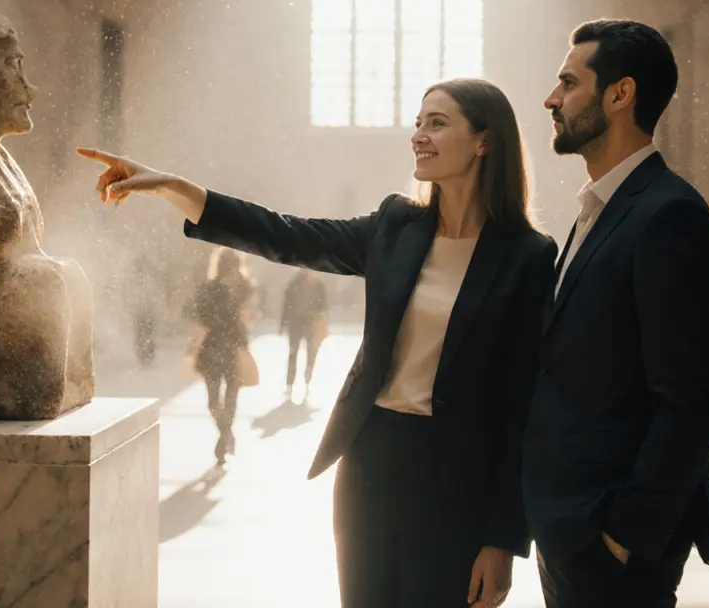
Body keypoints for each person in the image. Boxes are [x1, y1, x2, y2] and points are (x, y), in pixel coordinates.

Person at [80, 77, 556, 607]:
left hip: (458, 479)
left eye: (438, 123)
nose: (419, 134)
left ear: (484, 141)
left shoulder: (528, 256)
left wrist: (503, 540)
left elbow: (521, 408)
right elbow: (285, 234)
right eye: (418, 122)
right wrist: (172, 187)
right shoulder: (396, 226)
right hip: (370, 461)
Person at [523, 19, 709, 608]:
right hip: (572, 529)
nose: (551, 99)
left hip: (611, 546)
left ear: (620, 94)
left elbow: (694, 402)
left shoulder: (667, 216)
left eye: (568, 82)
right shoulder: (603, 206)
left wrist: (624, 535)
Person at [186, 247, 256, 464]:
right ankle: (226, 435)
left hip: (216, 348)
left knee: (217, 400)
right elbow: (245, 317)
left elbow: (200, 316)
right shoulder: (239, 288)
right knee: (227, 398)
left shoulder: (233, 289)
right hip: (229, 348)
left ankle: (224, 436)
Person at [280, 268, 328, 402]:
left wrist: (283, 322)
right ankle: (296, 382)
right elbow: (287, 304)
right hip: (302, 323)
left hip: (306, 323)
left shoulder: (310, 284)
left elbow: (322, 305)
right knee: (300, 353)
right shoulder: (305, 283)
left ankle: (303, 381)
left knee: (303, 353)